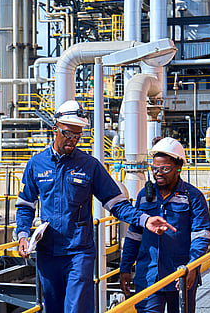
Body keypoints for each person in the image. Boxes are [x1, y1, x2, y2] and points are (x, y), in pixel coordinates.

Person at [16, 100, 176, 313]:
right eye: (68, 134)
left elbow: (117, 203)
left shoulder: (89, 166)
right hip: (48, 252)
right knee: (52, 308)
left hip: (78, 251)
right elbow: (25, 205)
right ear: (55, 129)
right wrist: (23, 235)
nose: (73, 141)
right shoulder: (36, 164)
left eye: (78, 135)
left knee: (76, 308)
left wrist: (145, 220)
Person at [119, 137, 210, 313]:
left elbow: (201, 234)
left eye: (165, 169)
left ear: (178, 168)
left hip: (181, 276)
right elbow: (134, 235)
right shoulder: (144, 197)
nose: (158, 173)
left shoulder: (193, 197)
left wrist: (192, 266)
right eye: (154, 168)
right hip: (148, 276)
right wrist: (125, 267)